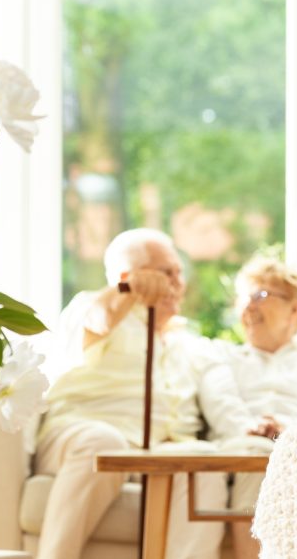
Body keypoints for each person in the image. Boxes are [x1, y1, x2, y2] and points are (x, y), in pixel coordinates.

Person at [34, 228, 225, 559]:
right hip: (86, 435)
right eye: (166, 272)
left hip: (160, 450)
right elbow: (99, 319)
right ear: (126, 275)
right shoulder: (92, 307)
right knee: (104, 443)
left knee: (203, 462)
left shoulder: (188, 342)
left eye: (179, 273)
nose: (177, 283)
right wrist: (128, 290)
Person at [199, 257, 297, 559]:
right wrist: (251, 429)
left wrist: (287, 430)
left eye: (260, 295)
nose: (248, 307)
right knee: (257, 451)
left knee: (286, 454)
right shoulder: (222, 356)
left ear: (295, 308)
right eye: (244, 298)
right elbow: (220, 403)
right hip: (241, 450)